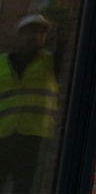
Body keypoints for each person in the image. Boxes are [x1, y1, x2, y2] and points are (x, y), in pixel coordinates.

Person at [0, 14, 59, 192]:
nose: (35, 36)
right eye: (31, 31)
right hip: (3, 136)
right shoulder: (1, 63)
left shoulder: (52, 62)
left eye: (41, 33)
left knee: (25, 187)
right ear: (20, 35)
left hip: (35, 138)